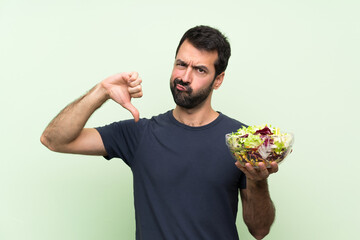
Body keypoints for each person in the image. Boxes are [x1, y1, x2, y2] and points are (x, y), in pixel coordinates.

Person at [41, 25, 278, 240]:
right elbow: (53, 140)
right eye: (181, 64)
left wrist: (259, 182)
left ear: (218, 80)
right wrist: (101, 91)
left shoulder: (243, 141)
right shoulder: (139, 134)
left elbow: (260, 230)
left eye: (200, 70)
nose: (185, 77)